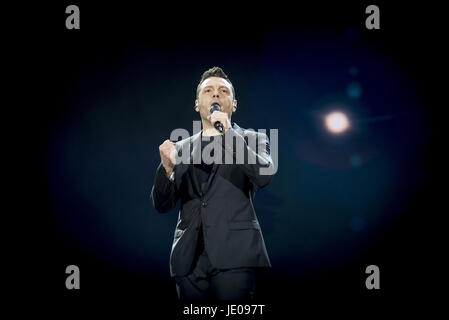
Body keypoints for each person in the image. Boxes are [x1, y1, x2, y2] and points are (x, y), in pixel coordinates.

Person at [150, 67, 275, 301]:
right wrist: (166, 169)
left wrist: (228, 132)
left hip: (236, 255)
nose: (215, 95)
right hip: (188, 259)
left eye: (223, 91)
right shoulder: (181, 148)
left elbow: (264, 176)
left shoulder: (253, 139)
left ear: (234, 104)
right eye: (208, 90)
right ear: (197, 104)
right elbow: (162, 204)